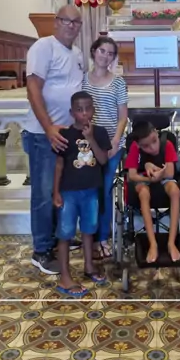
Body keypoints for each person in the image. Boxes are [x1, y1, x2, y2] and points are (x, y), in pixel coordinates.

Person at [22, 4, 83, 275]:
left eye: (76, 22)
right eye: (66, 21)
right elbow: (33, 89)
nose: (71, 26)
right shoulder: (43, 47)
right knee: (44, 194)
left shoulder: (77, 53)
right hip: (42, 134)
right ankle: (41, 250)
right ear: (56, 22)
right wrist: (48, 128)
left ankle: (60, 239)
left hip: (67, 134)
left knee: (62, 190)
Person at [53, 91, 111, 296]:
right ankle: (65, 276)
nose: (84, 113)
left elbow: (103, 160)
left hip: (91, 191)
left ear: (93, 110)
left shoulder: (100, 132)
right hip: (68, 192)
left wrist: (90, 138)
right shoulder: (65, 135)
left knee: (88, 230)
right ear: (72, 112)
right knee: (65, 233)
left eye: (88, 109)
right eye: (79, 109)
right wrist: (55, 192)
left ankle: (89, 266)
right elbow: (59, 165)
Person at [82, 36, 128, 259]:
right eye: (102, 51)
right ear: (93, 51)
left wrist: (115, 142)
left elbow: (122, 117)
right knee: (88, 191)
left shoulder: (118, 82)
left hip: (111, 145)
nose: (105, 56)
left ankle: (102, 237)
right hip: (87, 145)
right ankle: (88, 238)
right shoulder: (82, 80)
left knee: (105, 190)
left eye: (110, 53)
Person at [124, 120, 180, 264]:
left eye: (154, 141)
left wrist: (156, 171)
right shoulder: (135, 148)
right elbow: (132, 175)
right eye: (146, 146)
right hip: (144, 181)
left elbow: (170, 173)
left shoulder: (167, 144)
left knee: (175, 191)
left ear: (156, 132)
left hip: (164, 179)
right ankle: (153, 244)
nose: (152, 148)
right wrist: (149, 177)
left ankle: (171, 242)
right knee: (144, 193)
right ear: (139, 145)